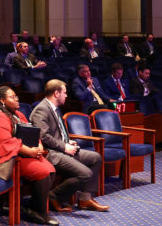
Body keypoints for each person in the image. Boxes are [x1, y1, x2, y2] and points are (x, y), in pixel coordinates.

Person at [0, 86, 57, 225]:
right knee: (43, 171)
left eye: (16, 96)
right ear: (2, 100)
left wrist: (38, 145)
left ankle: (33, 208)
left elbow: (31, 131)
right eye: (12, 97)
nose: (17, 99)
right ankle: (40, 212)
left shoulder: (17, 114)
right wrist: (29, 151)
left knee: (50, 169)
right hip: (0, 159)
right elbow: (7, 142)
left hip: (18, 156)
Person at [31, 79, 108, 213]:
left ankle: (84, 199)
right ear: (56, 93)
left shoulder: (55, 108)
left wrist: (67, 141)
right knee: (86, 174)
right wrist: (64, 146)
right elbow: (43, 136)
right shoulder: (41, 110)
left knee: (96, 157)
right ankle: (53, 195)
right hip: (52, 154)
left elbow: (57, 132)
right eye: (64, 93)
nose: (66, 95)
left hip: (62, 149)